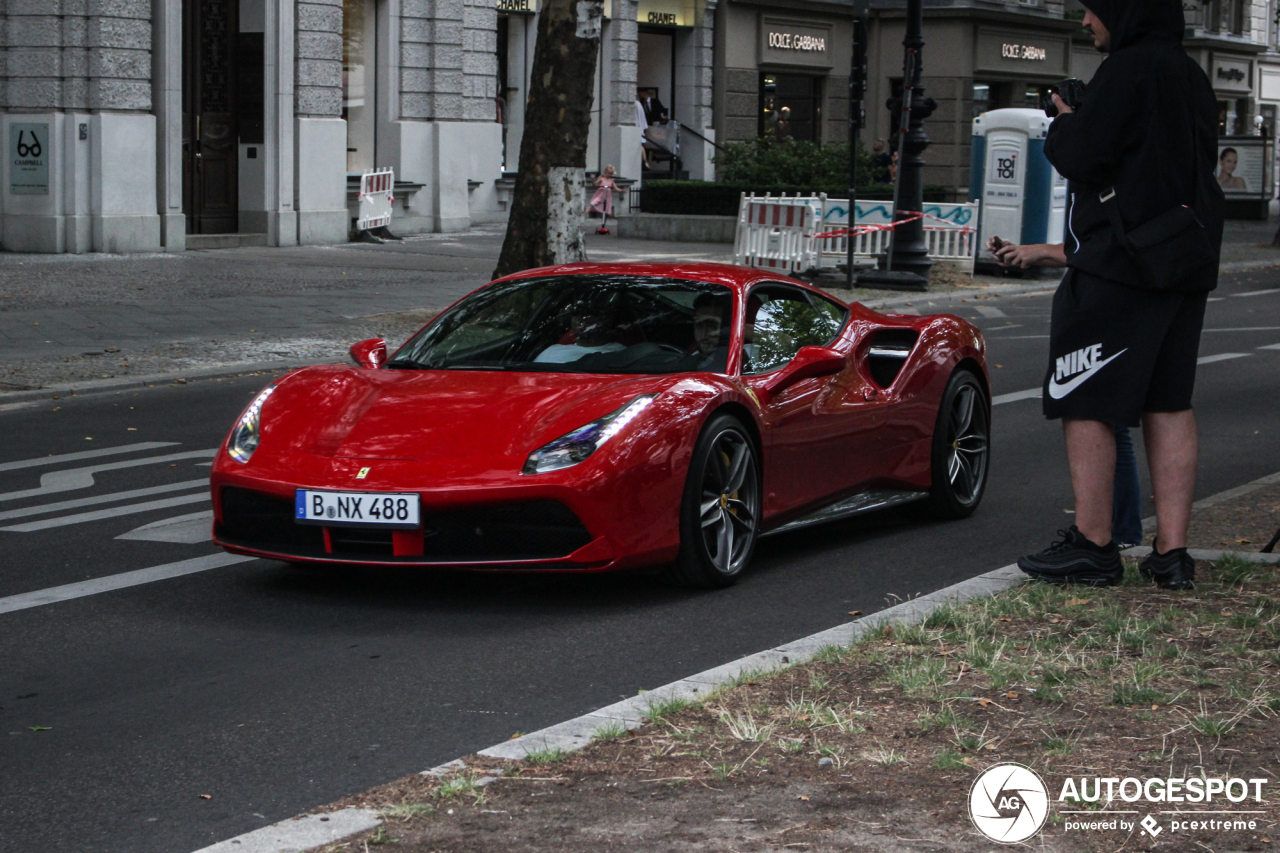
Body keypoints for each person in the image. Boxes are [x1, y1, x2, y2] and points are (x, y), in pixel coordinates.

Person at [1014, 0, 1223, 591]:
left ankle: (1094, 544)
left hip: (1119, 264)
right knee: (1169, 402)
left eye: (1094, 9)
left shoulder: (1129, 70)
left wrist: (1064, 118)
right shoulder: (1190, 74)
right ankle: (1172, 554)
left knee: (1085, 397)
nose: (1086, 22)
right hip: (1183, 259)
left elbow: (1081, 155)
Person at [987, 237, 1143, 548]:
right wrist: (1027, 254)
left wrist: (1041, 250)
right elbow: (1087, 250)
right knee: (1109, 422)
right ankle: (1120, 533)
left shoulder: (1111, 191)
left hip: (1111, 304)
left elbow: (1108, 246)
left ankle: (1114, 536)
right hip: (1104, 300)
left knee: (1100, 416)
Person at [535, 296, 625, 363]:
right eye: (576, 312)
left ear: (606, 319)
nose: (582, 318)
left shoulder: (624, 354)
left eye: (590, 313)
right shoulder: (552, 351)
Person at [587, 165, 623, 234]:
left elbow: (616, 188)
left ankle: (603, 225)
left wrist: (622, 190)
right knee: (595, 203)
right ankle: (587, 211)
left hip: (607, 197)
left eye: (610, 174)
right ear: (605, 172)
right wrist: (592, 179)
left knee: (606, 211)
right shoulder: (601, 179)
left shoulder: (611, 181)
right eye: (608, 173)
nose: (609, 175)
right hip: (601, 195)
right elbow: (594, 184)